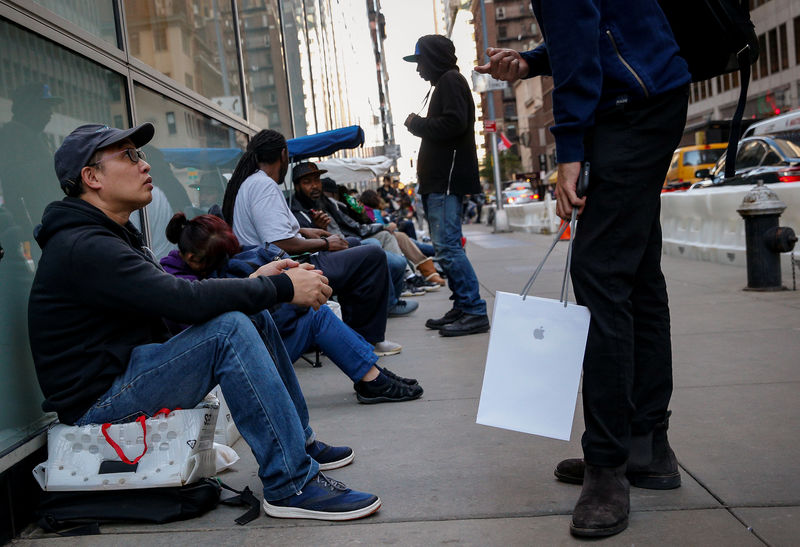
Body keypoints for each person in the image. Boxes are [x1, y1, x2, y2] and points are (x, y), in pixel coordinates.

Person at [28, 122, 381, 521]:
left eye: (139, 154)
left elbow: (170, 306)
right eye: (129, 155)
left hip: (128, 375)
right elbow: (182, 300)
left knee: (250, 316)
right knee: (229, 328)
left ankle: (297, 444)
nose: (144, 165)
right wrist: (281, 287)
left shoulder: (108, 235)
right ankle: (291, 482)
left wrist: (253, 285)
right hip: (98, 405)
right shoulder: (84, 245)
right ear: (91, 177)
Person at [476, 1, 690, 538]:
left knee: (603, 279)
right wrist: (531, 62)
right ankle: (646, 447)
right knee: (636, 276)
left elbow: (581, 32)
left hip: (631, 105)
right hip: (650, 92)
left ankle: (608, 466)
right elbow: (594, 23)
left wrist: (568, 145)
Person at [160, 212, 424, 404]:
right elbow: (236, 324)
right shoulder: (180, 285)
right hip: (225, 362)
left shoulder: (204, 268)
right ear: (193, 258)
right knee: (313, 316)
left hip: (239, 345)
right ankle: (371, 376)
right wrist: (287, 297)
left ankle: (371, 373)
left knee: (315, 314)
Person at [221, 129, 408, 355]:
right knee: (373, 255)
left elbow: (273, 229)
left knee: (354, 244)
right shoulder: (263, 186)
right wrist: (326, 245)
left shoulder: (252, 183)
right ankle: (370, 339)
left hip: (279, 262)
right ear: (283, 155)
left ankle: (352, 331)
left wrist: (306, 230)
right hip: (286, 268)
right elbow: (280, 242)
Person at [403, 35, 490, 337]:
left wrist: (416, 124)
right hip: (439, 183)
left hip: (445, 183)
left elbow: (454, 123)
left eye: (420, 62)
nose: (418, 70)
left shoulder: (451, 81)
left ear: (433, 58)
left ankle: (474, 310)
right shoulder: (446, 83)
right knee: (445, 247)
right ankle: (463, 306)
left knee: (449, 248)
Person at [288, 163, 423, 304]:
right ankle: (392, 299)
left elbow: (356, 224)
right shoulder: (295, 210)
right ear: (297, 186)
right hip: (326, 253)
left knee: (388, 237)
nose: (314, 186)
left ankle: (408, 279)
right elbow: (307, 243)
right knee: (376, 246)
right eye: (307, 182)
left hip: (347, 241)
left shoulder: (329, 202)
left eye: (317, 180)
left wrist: (365, 214)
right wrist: (320, 229)